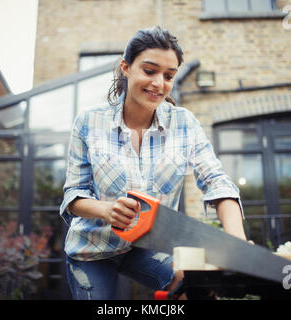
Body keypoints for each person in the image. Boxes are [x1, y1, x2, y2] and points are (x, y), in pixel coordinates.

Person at [60, 26, 248, 300]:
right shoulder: (89, 122)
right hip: (92, 249)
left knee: (197, 291)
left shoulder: (184, 123)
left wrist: (236, 239)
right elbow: (73, 195)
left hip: (148, 245)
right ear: (126, 67)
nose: (159, 83)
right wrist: (107, 210)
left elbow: (216, 180)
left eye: (169, 76)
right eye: (150, 71)